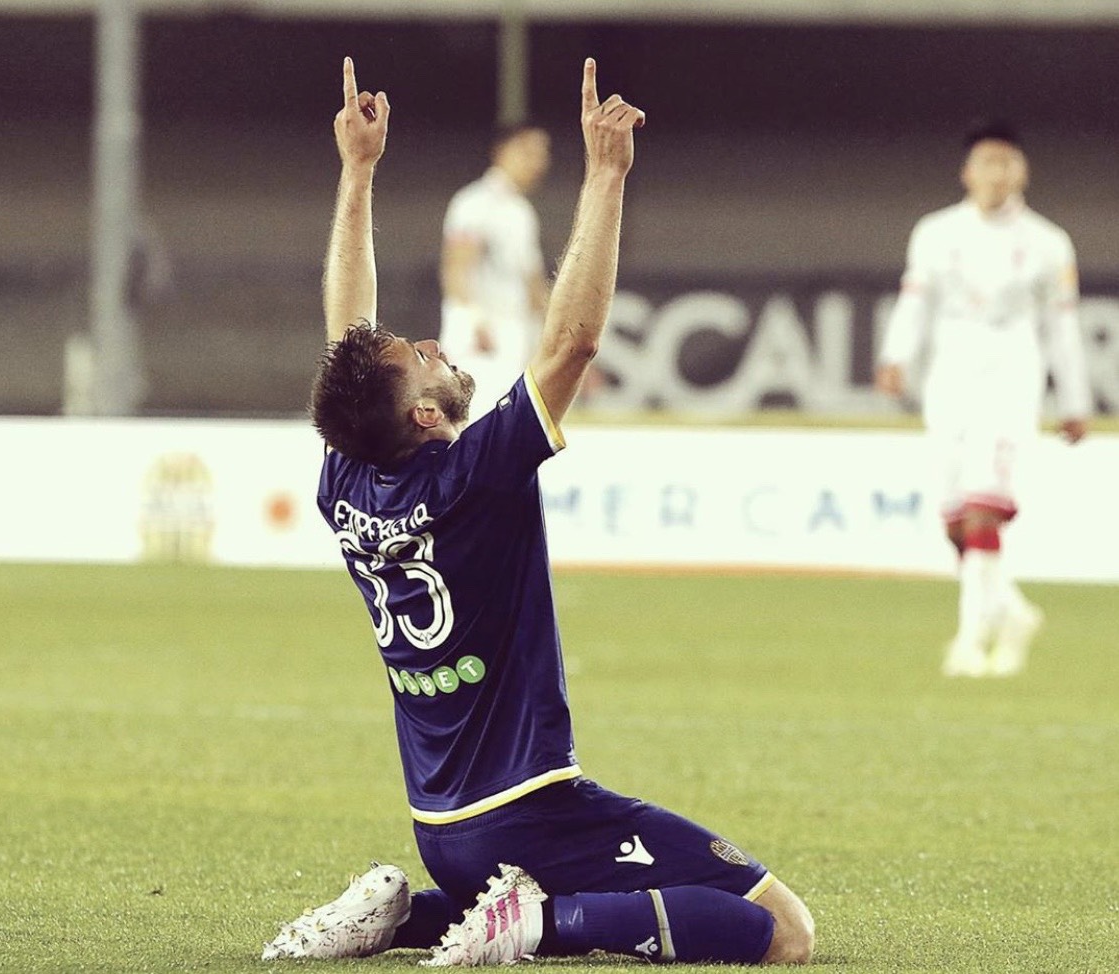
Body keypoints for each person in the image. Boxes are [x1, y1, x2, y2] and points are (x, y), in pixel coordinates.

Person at [262, 56, 815, 966]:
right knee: (779, 932)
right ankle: (536, 925)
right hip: (531, 811)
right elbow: (572, 341)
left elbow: (345, 341)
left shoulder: (346, 481)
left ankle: (408, 917)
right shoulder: (474, 473)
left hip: (439, 823)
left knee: (679, 903)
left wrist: (356, 175)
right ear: (426, 416)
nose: (434, 345)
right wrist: (605, 176)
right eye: (420, 358)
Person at [876, 120, 1091, 678]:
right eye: (987, 162)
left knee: (981, 513)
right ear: (968, 171)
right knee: (954, 524)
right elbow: (915, 302)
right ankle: (1014, 612)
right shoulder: (936, 232)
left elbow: (1062, 328)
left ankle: (971, 639)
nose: (997, 174)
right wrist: (896, 356)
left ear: (1022, 171)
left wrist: (1074, 398)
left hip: (1011, 381)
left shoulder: (1047, 243)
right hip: (949, 381)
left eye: (1007, 163)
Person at [439, 122, 551, 421]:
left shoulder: (521, 212)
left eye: (542, 154)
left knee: (508, 426)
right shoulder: (473, 203)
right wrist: (473, 321)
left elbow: (533, 283)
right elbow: (456, 268)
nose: (538, 162)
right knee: (472, 419)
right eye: (528, 152)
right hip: (481, 333)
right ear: (501, 152)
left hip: (513, 334)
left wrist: (551, 334)